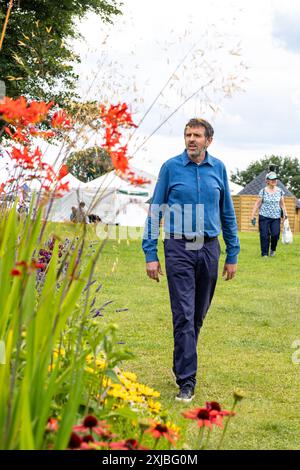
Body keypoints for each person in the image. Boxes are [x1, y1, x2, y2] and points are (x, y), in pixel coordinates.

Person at [142, 118, 240, 403]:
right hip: (178, 247)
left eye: (197, 135)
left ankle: (181, 362)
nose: (191, 139)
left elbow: (228, 214)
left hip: (209, 248)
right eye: (188, 135)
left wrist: (232, 253)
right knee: (183, 314)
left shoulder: (218, 168)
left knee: (196, 316)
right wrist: (151, 254)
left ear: (209, 140)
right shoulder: (171, 168)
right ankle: (187, 381)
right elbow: (156, 209)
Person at [250, 171, 287, 257]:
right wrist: (252, 215)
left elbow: (282, 204)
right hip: (264, 216)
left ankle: (273, 249)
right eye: (272, 179)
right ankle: (264, 254)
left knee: (275, 234)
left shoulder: (280, 191)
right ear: (267, 181)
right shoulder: (263, 191)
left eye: (275, 179)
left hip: (276, 217)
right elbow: (257, 203)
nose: (274, 180)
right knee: (264, 235)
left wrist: (285, 214)